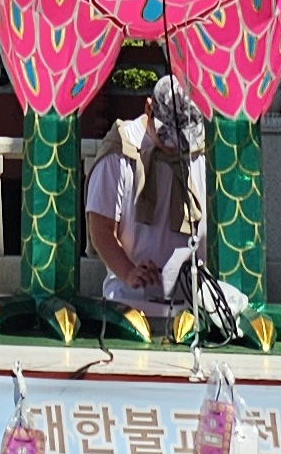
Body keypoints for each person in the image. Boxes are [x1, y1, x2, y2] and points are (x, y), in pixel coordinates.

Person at [85, 76, 205, 307]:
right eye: (167, 134)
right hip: (130, 300)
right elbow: (100, 229)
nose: (175, 147)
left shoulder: (202, 151)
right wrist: (129, 272)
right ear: (148, 109)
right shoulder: (119, 153)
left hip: (192, 301)